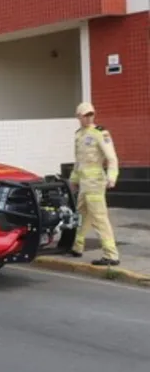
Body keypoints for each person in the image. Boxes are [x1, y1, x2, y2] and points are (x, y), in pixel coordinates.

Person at [68, 101, 120, 266]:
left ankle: (111, 254)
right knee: (81, 214)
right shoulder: (78, 135)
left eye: (91, 114)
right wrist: (74, 180)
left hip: (96, 183)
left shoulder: (100, 133)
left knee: (99, 218)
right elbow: (78, 161)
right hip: (84, 183)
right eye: (86, 115)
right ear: (79, 117)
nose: (89, 118)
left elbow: (112, 158)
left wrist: (112, 177)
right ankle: (77, 246)